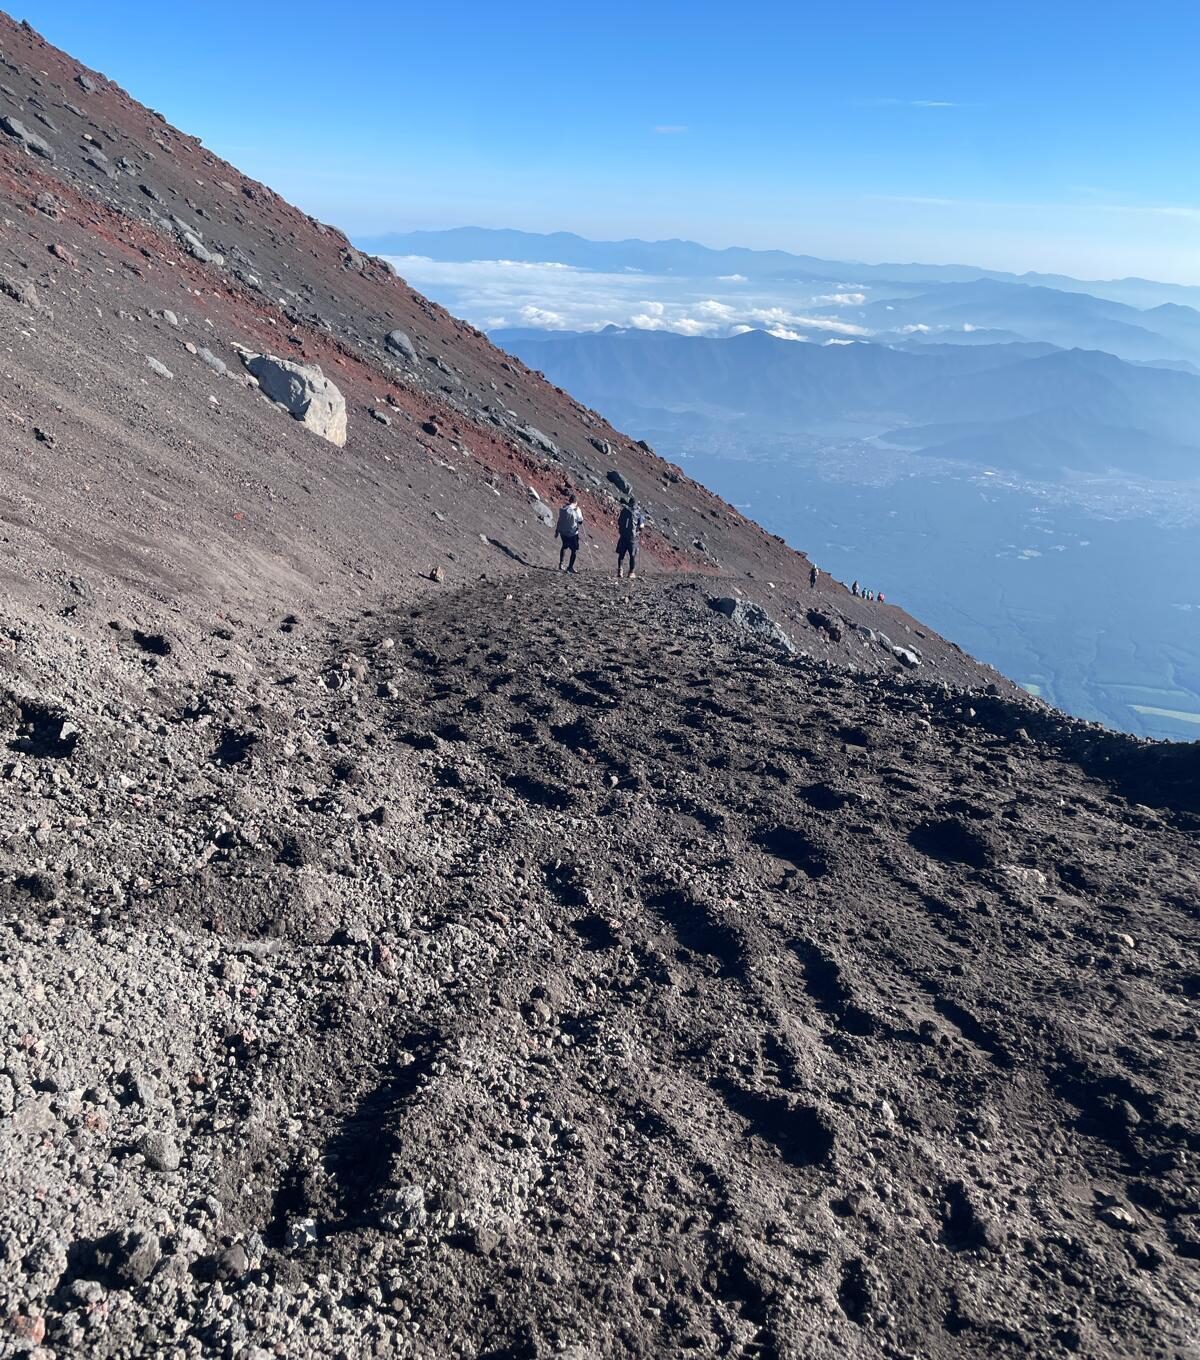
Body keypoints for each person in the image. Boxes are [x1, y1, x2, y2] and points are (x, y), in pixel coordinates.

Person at [616, 497, 644, 579]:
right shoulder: (638, 513)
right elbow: (641, 526)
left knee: (621, 554)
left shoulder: (624, 511)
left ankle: (620, 570)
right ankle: (631, 572)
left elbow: (619, 522)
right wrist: (638, 533)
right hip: (632, 538)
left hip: (623, 536)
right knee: (632, 555)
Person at [555, 494, 583, 574]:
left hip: (563, 532)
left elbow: (560, 520)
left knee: (564, 546)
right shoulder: (576, 510)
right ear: (576, 502)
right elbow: (580, 521)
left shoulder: (564, 508)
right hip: (572, 533)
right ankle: (570, 567)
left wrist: (557, 531)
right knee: (574, 550)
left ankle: (561, 564)